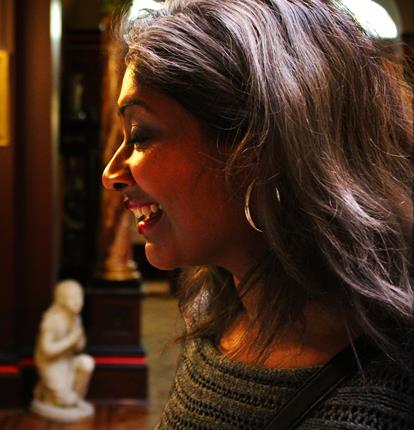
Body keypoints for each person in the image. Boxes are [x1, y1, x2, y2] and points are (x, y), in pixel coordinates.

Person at [102, 0, 413, 428]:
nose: (111, 173)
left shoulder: (373, 402)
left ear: (256, 149)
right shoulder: (219, 305)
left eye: (139, 135)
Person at [31, 280, 95, 423]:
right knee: (63, 400)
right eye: (73, 298)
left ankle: (75, 398)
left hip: (67, 360)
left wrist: (78, 340)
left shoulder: (75, 317)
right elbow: (47, 351)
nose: (78, 302)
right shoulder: (52, 320)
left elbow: (79, 347)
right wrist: (71, 340)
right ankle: (48, 396)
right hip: (51, 364)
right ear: (61, 299)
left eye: (80, 297)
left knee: (87, 363)